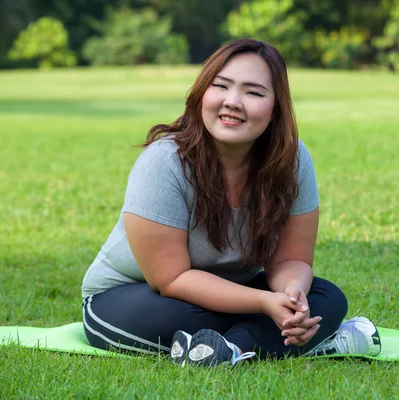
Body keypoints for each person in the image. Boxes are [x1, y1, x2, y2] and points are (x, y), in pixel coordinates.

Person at [81, 39, 381, 366]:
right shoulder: (164, 162)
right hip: (140, 294)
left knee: (326, 299)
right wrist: (264, 303)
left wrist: (292, 298)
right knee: (164, 316)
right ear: (201, 94)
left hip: (234, 291)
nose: (232, 102)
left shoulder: (292, 160)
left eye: (253, 93)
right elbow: (170, 279)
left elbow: (292, 259)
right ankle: (298, 343)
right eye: (220, 86)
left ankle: (229, 351)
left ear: (275, 108)